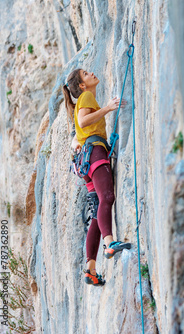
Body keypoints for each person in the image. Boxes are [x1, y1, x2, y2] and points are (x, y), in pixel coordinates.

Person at [62, 68, 131, 286]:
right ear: (82, 85)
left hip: (86, 161)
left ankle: (90, 268)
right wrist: (109, 108)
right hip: (95, 153)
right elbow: (83, 123)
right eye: (85, 73)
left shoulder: (82, 98)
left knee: (95, 216)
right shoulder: (86, 96)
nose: (90, 73)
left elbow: (78, 130)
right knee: (106, 198)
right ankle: (109, 243)